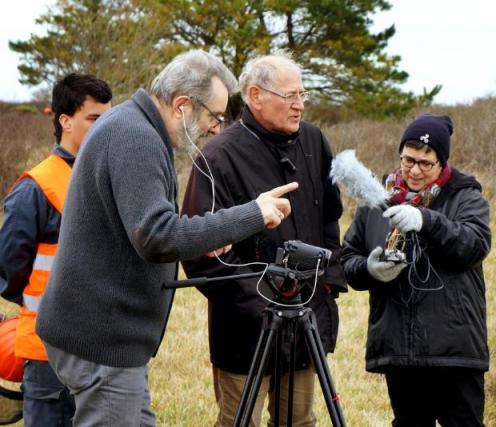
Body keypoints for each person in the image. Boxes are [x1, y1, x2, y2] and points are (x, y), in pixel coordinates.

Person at [34, 50, 298, 427]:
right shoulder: (136, 137)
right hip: (103, 341)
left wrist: (206, 236)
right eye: (214, 116)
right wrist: (253, 213)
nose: (216, 129)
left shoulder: (133, 126)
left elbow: (143, 228)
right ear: (182, 105)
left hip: (108, 337)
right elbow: (156, 236)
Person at [181, 52, 346, 426]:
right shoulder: (218, 157)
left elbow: (330, 217)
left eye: (303, 95)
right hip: (245, 330)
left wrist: (326, 281)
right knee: (241, 422)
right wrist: (264, 301)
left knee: (300, 421)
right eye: (290, 96)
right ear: (255, 95)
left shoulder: (314, 142)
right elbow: (200, 254)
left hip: (306, 322)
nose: (300, 105)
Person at [340, 114, 491, 426]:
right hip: (399, 347)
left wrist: (427, 221)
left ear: (442, 163)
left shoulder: (465, 195)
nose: (415, 170)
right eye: (408, 160)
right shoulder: (377, 199)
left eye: (426, 163)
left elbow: (475, 245)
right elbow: (348, 258)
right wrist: (370, 269)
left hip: (454, 348)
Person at [0, 73, 112, 426]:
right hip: (48, 348)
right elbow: (9, 266)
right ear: (65, 121)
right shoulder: (35, 188)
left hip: (100, 345)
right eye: (94, 118)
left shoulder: (106, 178)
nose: (103, 127)